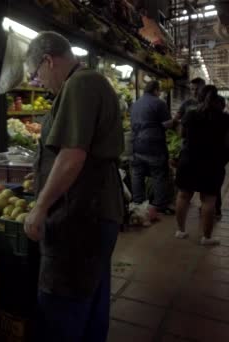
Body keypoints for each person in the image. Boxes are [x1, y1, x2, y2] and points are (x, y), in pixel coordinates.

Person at [23, 31, 124, 342]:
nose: (39, 82)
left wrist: (40, 206)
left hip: (81, 216)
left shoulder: (80, 84)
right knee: (91, 298)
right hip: (94, 213)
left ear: (48, 61)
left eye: (36, 74)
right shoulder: (85, 83)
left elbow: (72, 155)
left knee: (62, 304)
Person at [175, 85, 229, 245]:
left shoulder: (191, 115)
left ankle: (181, 231)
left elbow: (181, 134)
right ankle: (206, 237)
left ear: (198, 97)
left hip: (189, 159)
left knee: (183, 195)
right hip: (212, 162)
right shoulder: (225, 118)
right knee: (209, 199)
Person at [129, 80, 177, 215]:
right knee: (159, 175)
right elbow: (167, 124)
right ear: (156, 90)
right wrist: (175, 121)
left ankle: (138, 203)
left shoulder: (135, 104)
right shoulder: (159, 103)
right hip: (154, 145)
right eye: (159, 90)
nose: (160, 92)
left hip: (137, 144)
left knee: (137, 174)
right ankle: (159, 205)